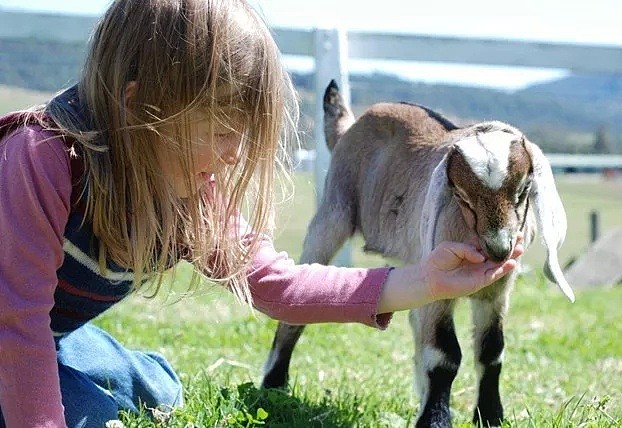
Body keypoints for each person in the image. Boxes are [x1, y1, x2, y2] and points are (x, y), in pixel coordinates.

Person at [0, 0, 524, 426]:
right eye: (224, 129)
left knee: (157, 389)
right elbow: (16, 325)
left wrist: (424, 281)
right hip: (13, 329)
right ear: (140, 109)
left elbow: (279, 285)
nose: (234, 153)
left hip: (49, 333)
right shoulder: (43, 158)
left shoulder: (186, 188)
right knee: (92, 412)